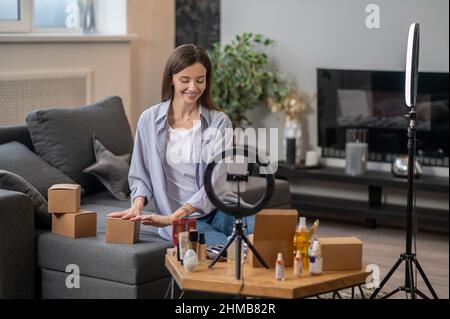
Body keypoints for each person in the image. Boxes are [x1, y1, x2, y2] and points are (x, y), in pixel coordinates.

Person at [108, 44, 254, 245]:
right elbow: (140, 174)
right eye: (185, 80)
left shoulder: (219, 122)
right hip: (183, 221)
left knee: (269, 238)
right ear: (171, 79)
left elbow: (217, 183)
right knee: (224, 252)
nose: (193, 88)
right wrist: (137, 205)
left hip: (220, 208)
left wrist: (174, 216)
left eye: (200, 80)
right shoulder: (149, 120)